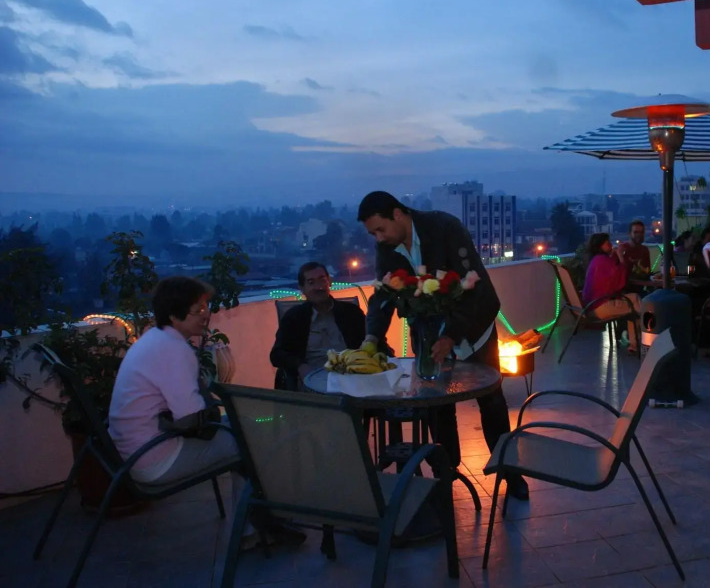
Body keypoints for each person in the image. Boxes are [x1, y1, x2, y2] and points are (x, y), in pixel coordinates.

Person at [108, 276, 304, 548]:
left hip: (137, 450)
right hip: (155, 459)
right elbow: (193, 419)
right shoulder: (174, 350)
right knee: (255, 442)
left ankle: (255, 525)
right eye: (198, 309)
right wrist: (209, 406)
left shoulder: (153, 339)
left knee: (247, 430)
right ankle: (259, 527)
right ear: (174, 315)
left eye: (205, 307)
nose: (206, 314)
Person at [358, 191, 529, 501]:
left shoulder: (444, 227)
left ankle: (510, 471)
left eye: (380, 229)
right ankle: (447, 472)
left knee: (491, 401)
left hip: (473, 328)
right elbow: (384, 294)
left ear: (398, 214)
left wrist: (451, 334)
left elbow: (474, 287)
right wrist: (372, 337)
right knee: (436, 405)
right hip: (428, 337)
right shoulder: (387, 247)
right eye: (373, 234)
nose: (378, 238)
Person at [270, 262, 367, 390]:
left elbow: (371, 340)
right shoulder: (294, 318)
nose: (318, 287)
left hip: (353, 377)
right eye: (311, 283)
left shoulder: (351, 312)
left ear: (329, 282)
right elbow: (277, 355)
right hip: (314, 382)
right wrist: (300, 366)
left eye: (322, 280)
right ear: (302, 288)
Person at [581, 232, 641, 353]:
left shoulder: (596, 260)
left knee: (634, 302)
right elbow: (619, 279)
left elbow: (611, 274)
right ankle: (641, 340)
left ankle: (635, 343)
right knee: (635, 302)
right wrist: (620, 256)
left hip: (591, 306)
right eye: (607, 243)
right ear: (600, 246)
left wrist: (615, 255)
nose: (610, 245)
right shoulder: (601, 260)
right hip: (600, 306)